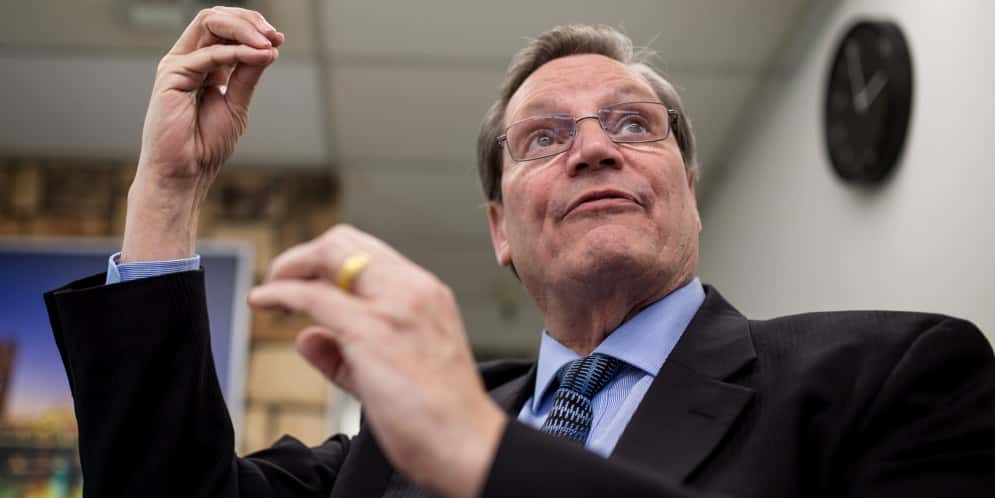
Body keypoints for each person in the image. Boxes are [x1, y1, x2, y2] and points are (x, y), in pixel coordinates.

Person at [44, 6, 994, 498]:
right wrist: (167, 192)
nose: (593, 147)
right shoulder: (390, 448)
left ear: (685, 193)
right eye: (543, 138)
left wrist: (481, 454)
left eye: (634, 123)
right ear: (500, 227)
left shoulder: (888, 378)